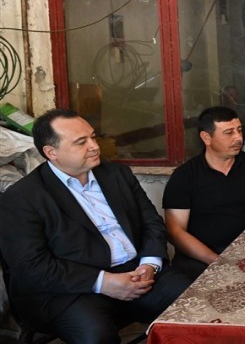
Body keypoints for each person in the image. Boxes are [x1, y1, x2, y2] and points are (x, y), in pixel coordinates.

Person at [0, 109, 190, 344]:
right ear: (51, 152)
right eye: (81, 142)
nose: (94, 146)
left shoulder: (117, 174)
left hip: (137, 271)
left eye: (93, 137)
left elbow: (151, 222)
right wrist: (103, 282)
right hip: (72, 289)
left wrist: (149, 264)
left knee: (197, 302)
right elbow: (32, 267)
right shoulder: (22, 198)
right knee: (96, 336)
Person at [163, 107, 245, 280]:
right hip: (200, 260)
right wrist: (218, 261)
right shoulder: (185, 176)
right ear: (206, 137)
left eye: (239, 130)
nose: (238, 138)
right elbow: (175, 232)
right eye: (228, 133)